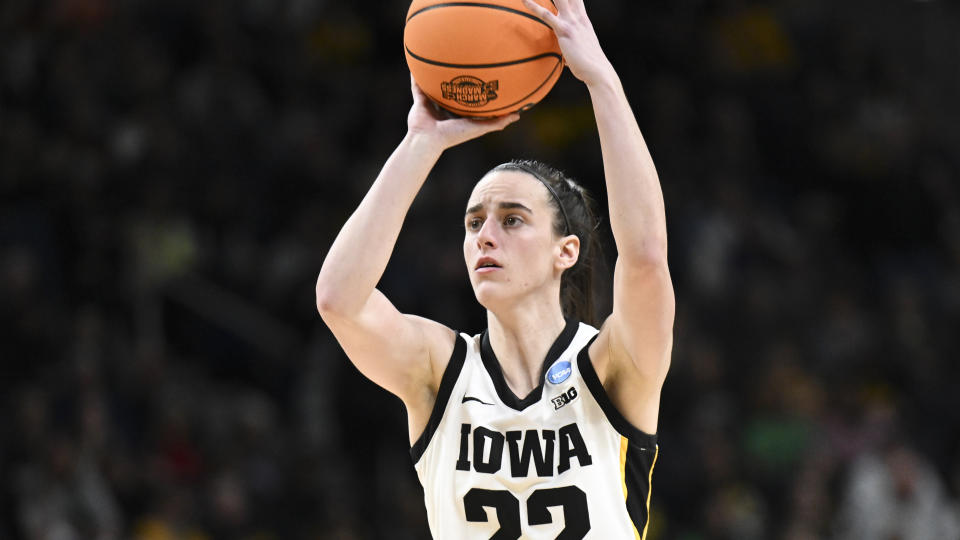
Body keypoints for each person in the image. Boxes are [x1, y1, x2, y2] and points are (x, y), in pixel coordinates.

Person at [315, 0, 674, 537]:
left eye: (512, 220)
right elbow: (338, 300)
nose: (484, 234)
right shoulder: (439, 372)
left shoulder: (612, 369)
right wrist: (420, 143)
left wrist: (602, 81)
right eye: (473, 221)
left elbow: (644, 259)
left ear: (565, 252)